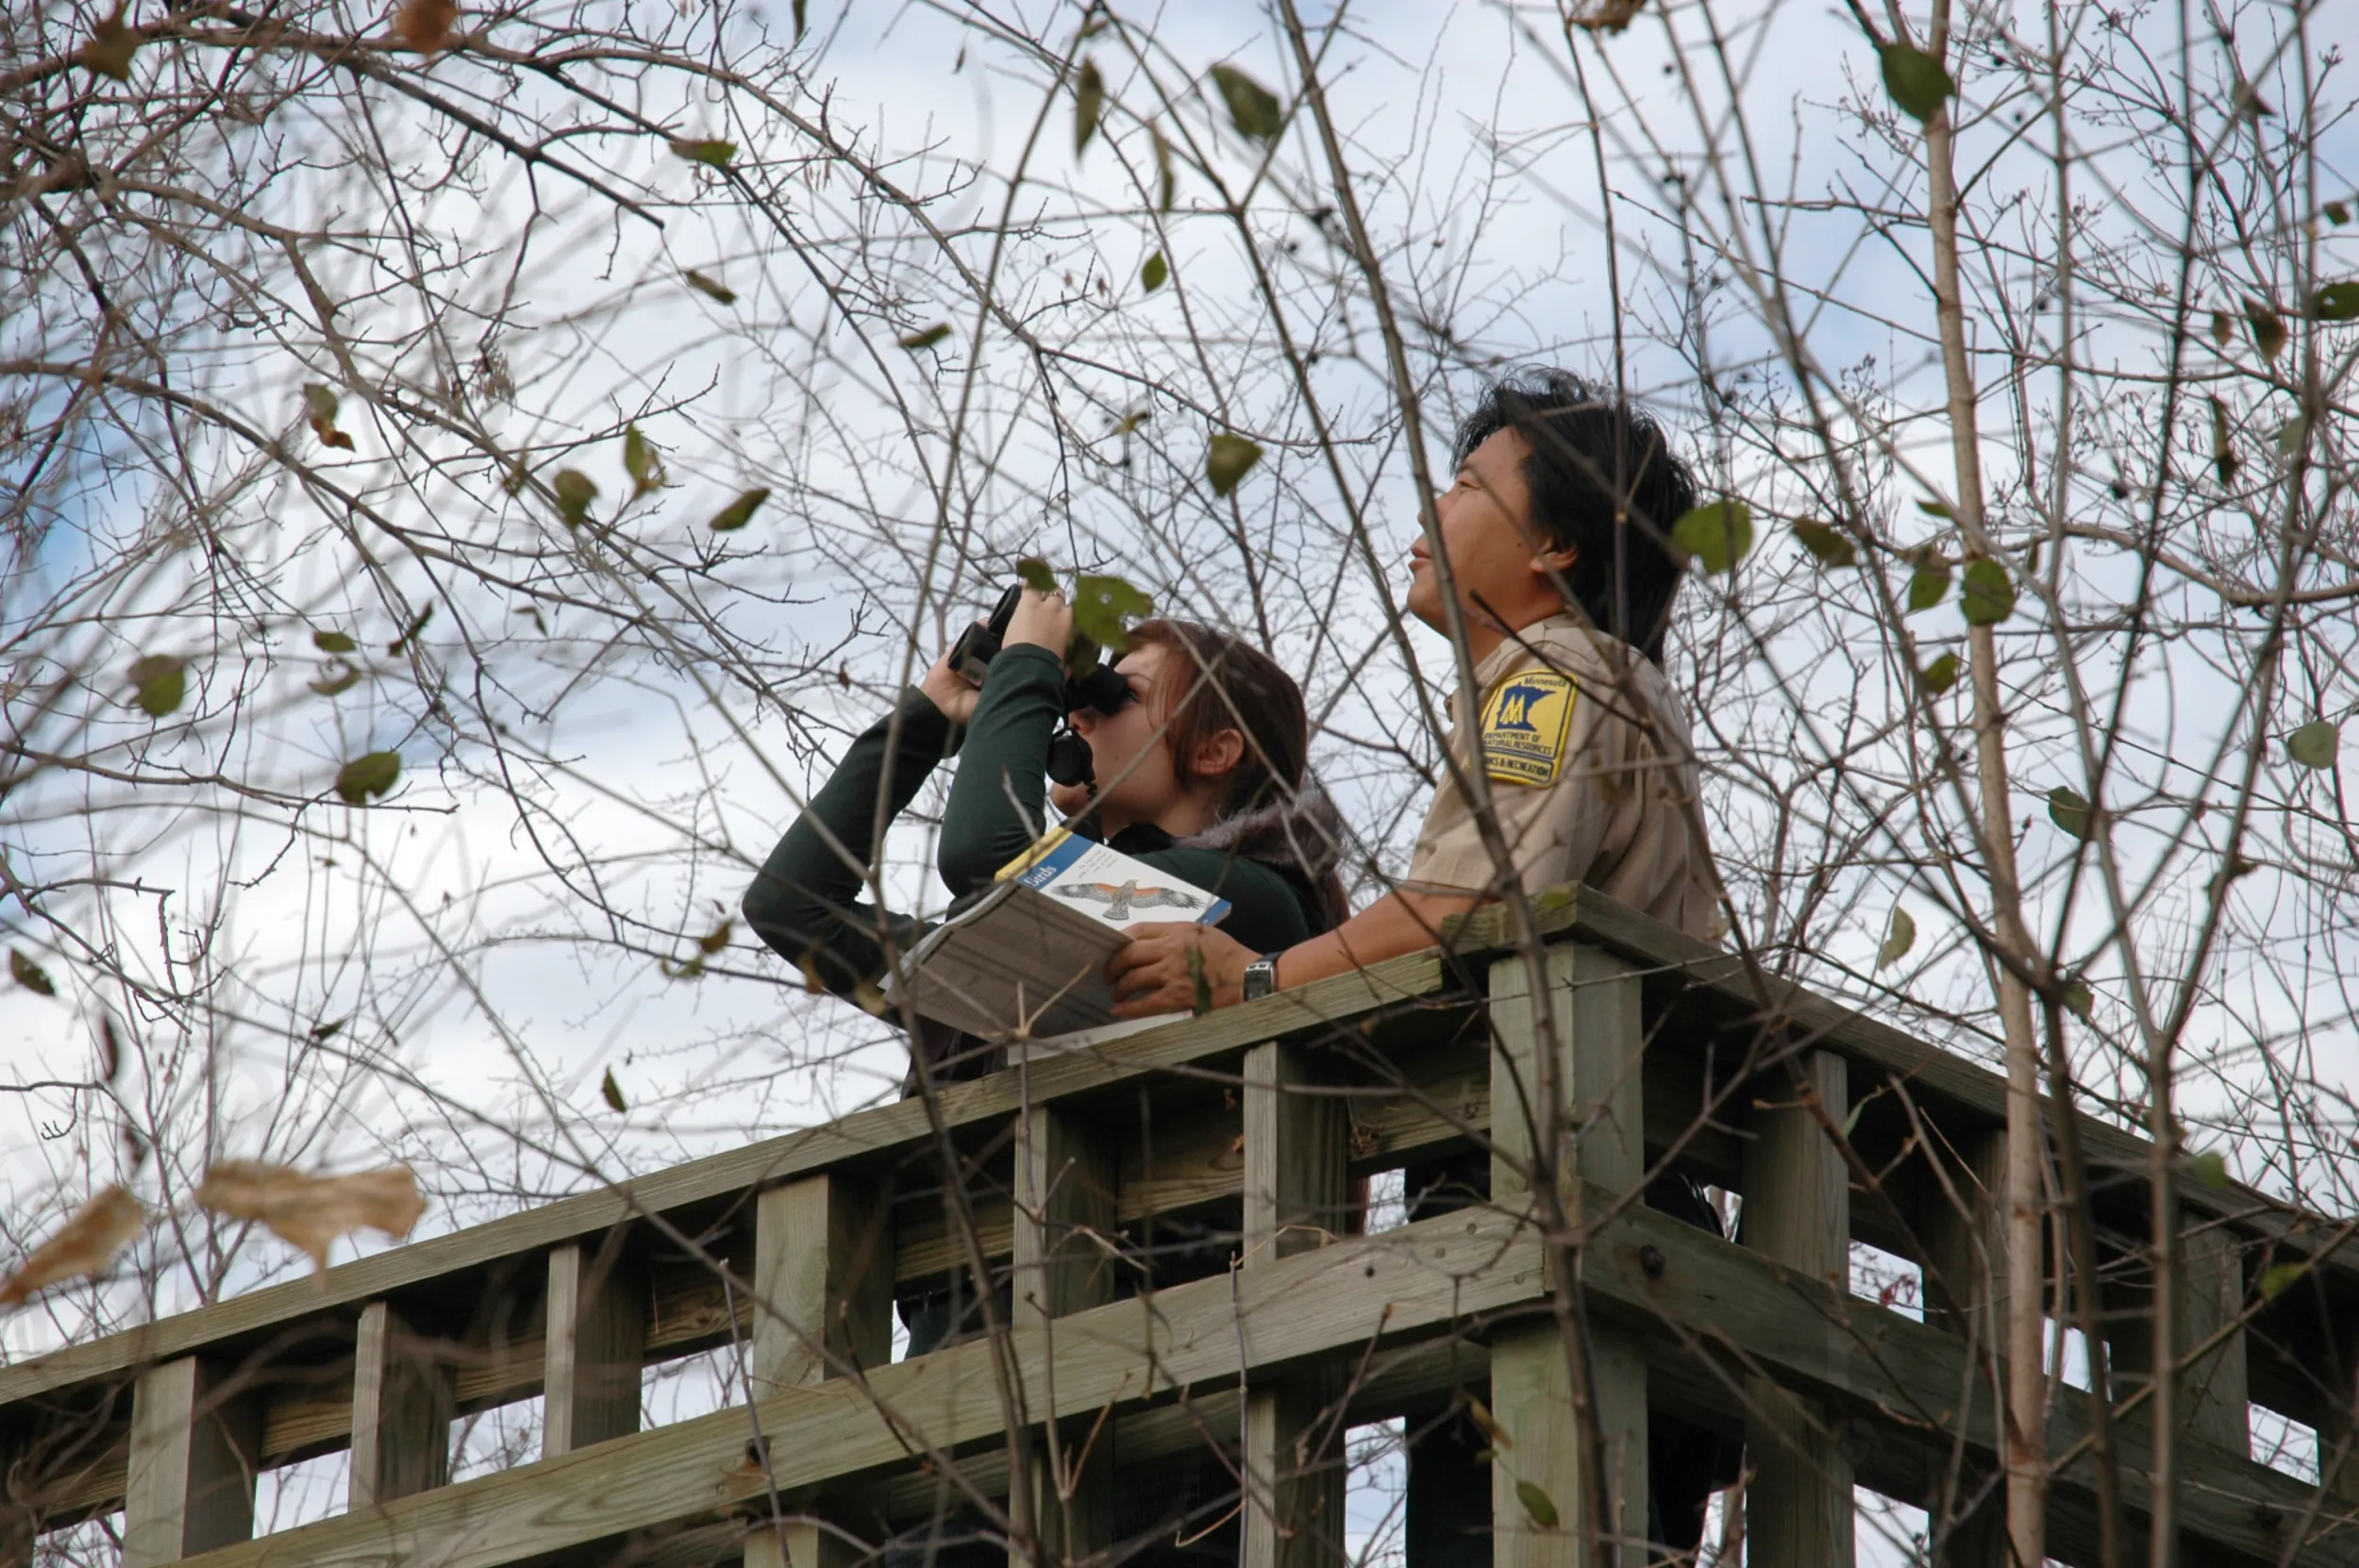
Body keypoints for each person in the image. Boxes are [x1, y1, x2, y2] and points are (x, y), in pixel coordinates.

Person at [1104, 369, 1736, 1560]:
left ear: (1551, 542)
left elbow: (1460, 905)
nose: (1427, 512)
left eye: (1464, 485)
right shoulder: (1597, 685)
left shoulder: (1553, 674)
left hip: (1553, 1191)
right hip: (1615, 1193)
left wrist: (1249, 980)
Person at [741, 589, 1348, 1561]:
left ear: (1215, 750)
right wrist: (931, 719)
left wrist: (1026, 660)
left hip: (1148, 1394)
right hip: (960, 1380)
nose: (1081, 712)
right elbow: (790, 906)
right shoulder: (1035, 937)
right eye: (1078, 698)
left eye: (1118, 697)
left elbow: (987, 849)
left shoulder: (1251, 905)